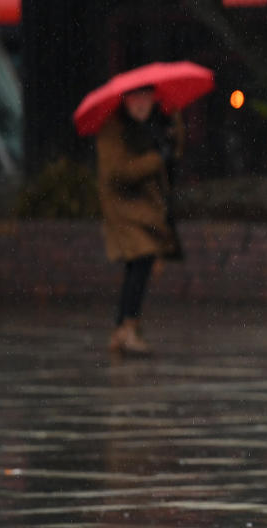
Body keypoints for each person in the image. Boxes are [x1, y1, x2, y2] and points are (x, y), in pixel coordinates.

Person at [96, 86, 183, 355]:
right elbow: (117, 174)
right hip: (124, 210)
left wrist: (172, 131)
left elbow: (174, 153)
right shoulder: (114, 129)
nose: (141, 104)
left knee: (140, 265)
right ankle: (127, 328)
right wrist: (155, 159)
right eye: (134, 98)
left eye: (146, 97)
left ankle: (125, 326)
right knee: (141, 260)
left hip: (147, 208)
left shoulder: (155, 125)